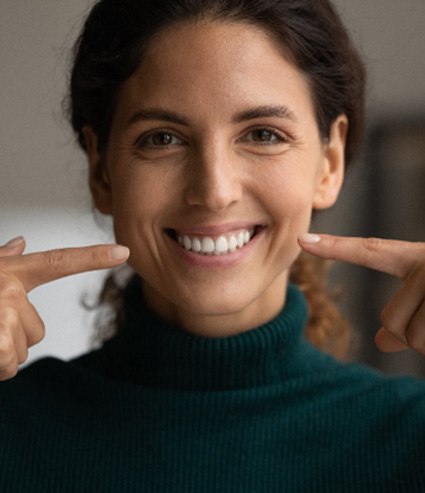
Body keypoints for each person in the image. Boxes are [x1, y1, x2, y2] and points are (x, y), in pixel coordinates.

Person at [1, 0, 425, 491]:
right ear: (101, 170)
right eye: (162, 138)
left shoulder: (410, 439)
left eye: (263, 134)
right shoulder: (11, 428)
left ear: (329, 162)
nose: (214, 190)